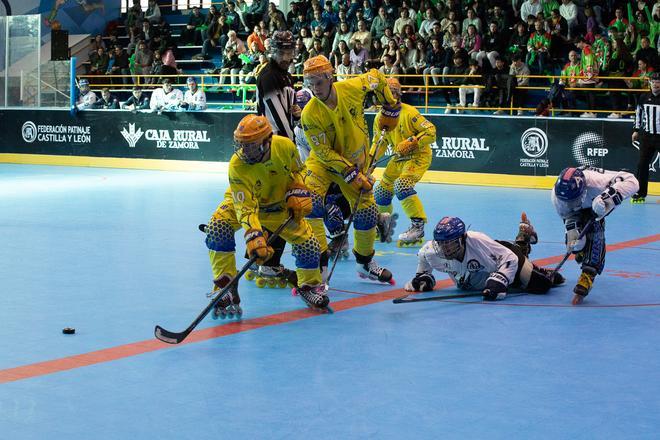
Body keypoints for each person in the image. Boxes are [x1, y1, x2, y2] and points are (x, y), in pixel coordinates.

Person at [203, 114, 329, 316]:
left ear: (267, 141)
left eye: (251, 145)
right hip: (243, 204)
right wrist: (255, 237)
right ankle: (225, 286)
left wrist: (297, 188)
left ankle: (308, 287)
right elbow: (244, 207)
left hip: (278, 206)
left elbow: (299, 170)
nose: (245, 150)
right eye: (242, 144)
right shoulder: (237, 165)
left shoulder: (285, 146)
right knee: (217, 227)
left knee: (310, 245)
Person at [300, 55, 398, 284]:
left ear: (329, 76)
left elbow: (377, 75)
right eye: (310, 83)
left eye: (319, 82)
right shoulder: (309, 114)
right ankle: (318, 265)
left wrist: (389, 104)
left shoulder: (353, 87)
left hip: (356, 161)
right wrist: (350, 173)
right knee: (310, 201)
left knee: (367, 213)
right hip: (324, 164)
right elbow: (323, 152)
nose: (315, 89)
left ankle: (364, 263)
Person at [404, 215, 564, 301]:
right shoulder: (431, 252)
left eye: (449, 244)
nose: (444, 249)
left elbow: (509, 258)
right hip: (485, 271)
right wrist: (423, 276)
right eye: (441, 244)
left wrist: (500, 279)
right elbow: (423, 258)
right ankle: (523, 237)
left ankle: (524, 237)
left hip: (507, 256)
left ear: (461, 239)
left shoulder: (477, 241)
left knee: (542, 285)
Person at [552, 167, 639, 305]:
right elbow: (569, 215)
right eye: (567, 201)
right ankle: (581, 252)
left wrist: (607, 198)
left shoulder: (596, 183)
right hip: (576, 212)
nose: (571, 205)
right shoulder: (558, 198)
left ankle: (588, 274)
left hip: (598, 200)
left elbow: (632, 181)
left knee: (596, 231)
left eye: (574, 200)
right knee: (575, 245)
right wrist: (574, 237)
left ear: (584, 189)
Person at [372, 78, 435, 247]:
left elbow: (431, 132)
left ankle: (418, 226)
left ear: (398, 94)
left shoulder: (410, 113)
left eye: (393, 93)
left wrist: (413, 141)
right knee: (380, 192)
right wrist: (370, 163)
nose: (390, 97)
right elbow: (379, 143)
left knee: (402, 185)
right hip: (397, 158)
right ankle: (384, 223)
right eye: (386, 94)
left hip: (417, 156)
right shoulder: (379, 118)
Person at [256, 31, 297, 140]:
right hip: (273, 141)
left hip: (284, 138)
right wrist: (291, 141)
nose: (285, 58)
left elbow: (289, 110)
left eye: (288, 53)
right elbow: (278, 117)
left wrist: (296, 113)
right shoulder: (268, 76)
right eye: (281, 53)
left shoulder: (287, 75)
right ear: (273, 52)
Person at [631, 72, 660, 204]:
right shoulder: (643, 97)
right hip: (647, 136)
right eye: (653, 81)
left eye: (658, 82)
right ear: (650, 83)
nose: (656, 84)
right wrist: (636, 130)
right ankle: (640, 193)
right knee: (642, 165)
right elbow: (638, 114)